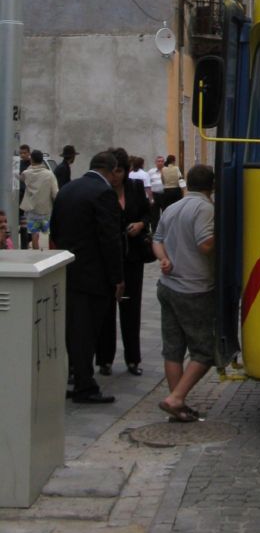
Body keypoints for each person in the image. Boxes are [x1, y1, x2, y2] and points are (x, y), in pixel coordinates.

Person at [49, 149, 124, 403]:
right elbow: (110, 239)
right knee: (87, 331)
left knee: (73, 328)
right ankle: (84, 385)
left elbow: (55, 229)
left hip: (68, 269)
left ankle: (74, 375)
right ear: (111, 171)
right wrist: (117, 277)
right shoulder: (104, 193)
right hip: (94, 274)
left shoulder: (67, 189)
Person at [153, 163, 216, 422]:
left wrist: (164, 259)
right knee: (205, 351)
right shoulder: (205, 208)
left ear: (187, 183)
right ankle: (176, 398)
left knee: (173, 349)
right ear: (212, 186)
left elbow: (157, 239)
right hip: (194, 288)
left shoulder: (173, 207)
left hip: (167, 286)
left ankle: (177, 406)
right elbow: (205, 244)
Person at [96, 147, 153, 377]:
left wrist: (141, 224)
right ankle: (104, 359)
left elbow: (148, 213)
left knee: (131, 308)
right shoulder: (102, 191)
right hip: (108, 257)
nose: (116, 176)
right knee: (106, 309)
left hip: (133, 256)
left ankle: (133, 358)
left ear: (126, 171)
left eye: (120, 171)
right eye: (113, 171)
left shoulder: (135, 188)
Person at [20, 149, 59, 249]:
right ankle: (47, 252)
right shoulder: (49, 174)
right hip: (45, 209)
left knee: (34, 233)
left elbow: (21, 178)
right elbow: (55, 193)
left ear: (31, 159)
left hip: (32, 209)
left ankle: (35, 252)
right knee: (46, 232)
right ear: (42, 160)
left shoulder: (26, 173)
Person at [15, 144, 31, 248]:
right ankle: (24, 244)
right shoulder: (18, 164)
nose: (23, 155)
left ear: (29, 153)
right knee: (21, 224)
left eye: (25, 153)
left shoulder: (31, 164)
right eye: (21, 153)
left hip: (28, 197)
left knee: (26, 225)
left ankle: (25, 244)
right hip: (19, 197)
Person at [147, 155, 166, 228]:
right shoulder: (150, 172)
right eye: (159, 161)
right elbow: (147, 184)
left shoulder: (166, 171)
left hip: (164, 195)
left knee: (165, 213)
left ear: (164, 162)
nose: (160, 163)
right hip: (154, 195)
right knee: (154, 215)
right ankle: (154, 230)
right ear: (155, 162)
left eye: (162, 161)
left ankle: (165, 229)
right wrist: (150, 198)